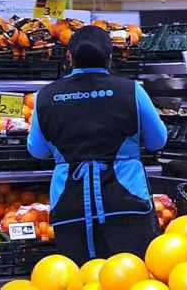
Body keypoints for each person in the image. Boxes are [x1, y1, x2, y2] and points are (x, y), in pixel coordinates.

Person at [27, 26, 167, 264]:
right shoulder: (131, 91)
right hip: (126, 202)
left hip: (70, 205)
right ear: (110, 56)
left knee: (80, 284)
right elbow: (157, 141)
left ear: (69, 56)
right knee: (130, 279)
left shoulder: (45, 96)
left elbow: (37, 150)